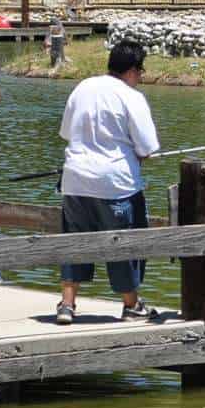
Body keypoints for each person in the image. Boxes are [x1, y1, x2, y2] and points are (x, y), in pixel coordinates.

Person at [54, 41, 160, 324]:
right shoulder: (132, 97)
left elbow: (66, 132)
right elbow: (148, 148)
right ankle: (131, 305)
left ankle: (67, 304)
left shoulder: (83, 87)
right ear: (132, 70)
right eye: (141, 71)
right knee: (125, 243)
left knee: (76, 241)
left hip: (75, 180)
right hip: (117, 184)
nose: (141, 77)